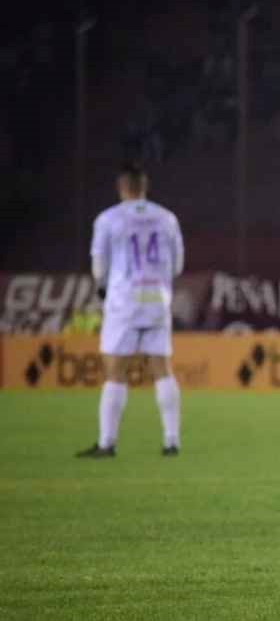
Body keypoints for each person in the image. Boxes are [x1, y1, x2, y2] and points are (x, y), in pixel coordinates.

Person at [76, 163, 185, 459]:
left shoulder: (108, 219)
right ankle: (171, 441)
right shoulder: (167, 218)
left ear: (122, 188)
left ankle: (107, 443)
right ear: (144, 187)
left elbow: (99, 266)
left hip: (124, 299)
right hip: (157, 298)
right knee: (162, 368)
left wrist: (103, 289)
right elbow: (177, 265)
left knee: (115, 370)